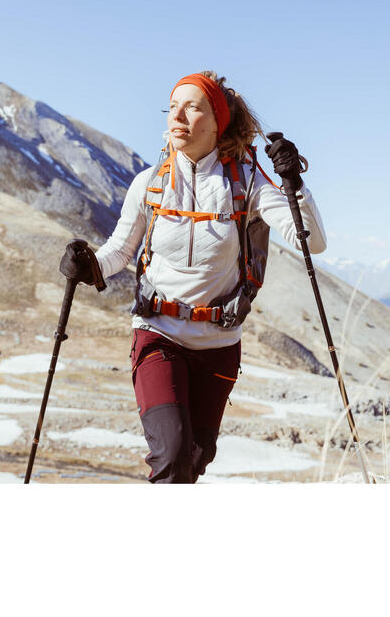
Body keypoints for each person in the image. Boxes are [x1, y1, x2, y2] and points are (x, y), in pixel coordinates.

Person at [59, 71, 326, 483]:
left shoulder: (247, 183)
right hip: (157, 332)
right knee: (172, 455)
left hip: (218, 345)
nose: (177, 116)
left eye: (193, 106)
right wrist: (87, 265)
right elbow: (120, 252)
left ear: (218, 121)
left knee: (195, 459)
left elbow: (312, 240)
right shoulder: (150, 184)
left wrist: (294, 184)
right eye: (172, 107)